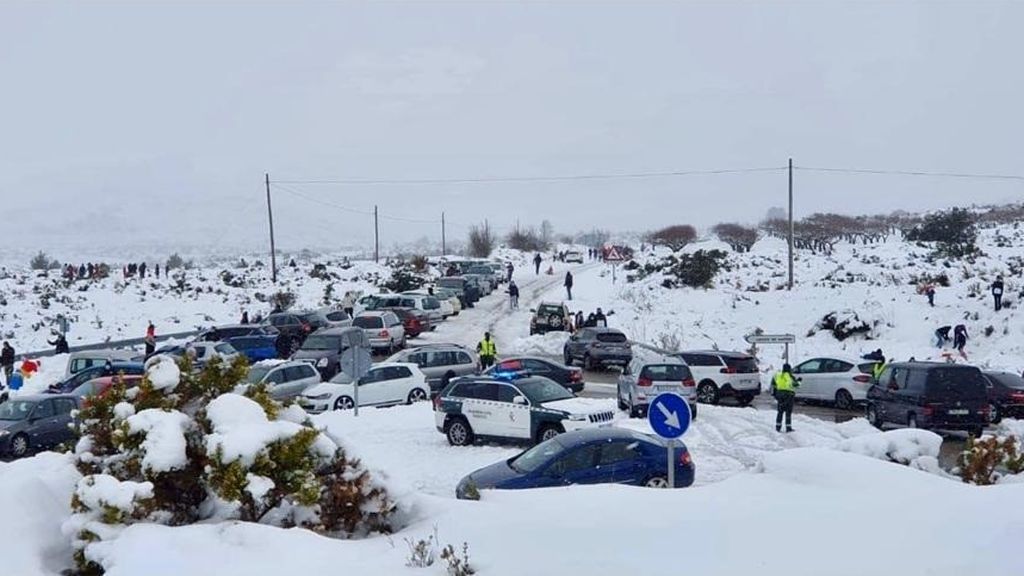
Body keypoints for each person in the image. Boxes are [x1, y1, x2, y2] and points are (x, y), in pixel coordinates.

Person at [773, 363, 798, 433]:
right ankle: (788, 427)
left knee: (780, 412)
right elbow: (796, 385)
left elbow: (773, 384)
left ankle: (778, 427)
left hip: (780, 395)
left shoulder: (778, 375)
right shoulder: (791, 377)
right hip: (789, 395)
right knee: (788, 412)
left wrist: (776, 393)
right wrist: (799, 381)